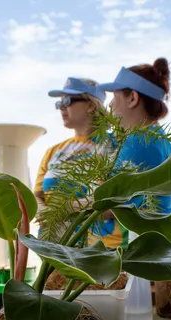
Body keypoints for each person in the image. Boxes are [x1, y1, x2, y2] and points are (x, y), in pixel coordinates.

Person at [34, 77, 129, 249]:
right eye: (59, 103)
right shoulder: (53, 151)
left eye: (68, 101)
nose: (61, 107)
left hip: (102, 250)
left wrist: (63, 209)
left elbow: (120, 204)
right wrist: (43, 211)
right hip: (54, 248)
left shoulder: (118, 146)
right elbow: (37, 195)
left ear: (91, 104)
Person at [97, 57, 171, 215]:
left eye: (114, 96)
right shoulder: (156, 137)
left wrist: (67, 208)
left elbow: (107, 207)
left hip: (139, 237)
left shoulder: (140, 140)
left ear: (133, 98)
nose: (110, 105)